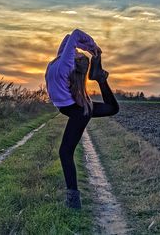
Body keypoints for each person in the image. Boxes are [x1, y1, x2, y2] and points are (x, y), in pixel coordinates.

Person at [45, 29, 119, 210]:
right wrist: (94, 52)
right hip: (74, 107)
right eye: (76, 51)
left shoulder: (61, 65)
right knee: (112, 108)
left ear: (73, 62)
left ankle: (73, 202)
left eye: (76, 52)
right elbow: (70, 38)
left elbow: (75, 35)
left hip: (75, 110)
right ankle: (99, 76)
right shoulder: (62, 62)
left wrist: (94, 48)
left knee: (65, 152)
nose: (76, 51)